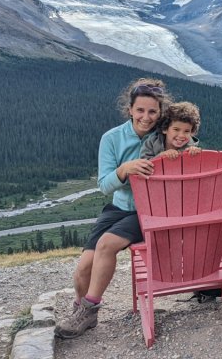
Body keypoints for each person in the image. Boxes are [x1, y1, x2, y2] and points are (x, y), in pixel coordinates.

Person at [55, 78, 171, 339]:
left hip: (148, 211)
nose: (146, 117)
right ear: (129, 109)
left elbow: (187, 147)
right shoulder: (112, 138)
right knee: (84, 267)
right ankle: (80, 309)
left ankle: (90, 310)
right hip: (118, 208)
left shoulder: (165, 137)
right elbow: (104, 186)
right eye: (140, 110)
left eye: (153, 111)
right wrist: (124, 169)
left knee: (106, 245)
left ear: (160, 112)